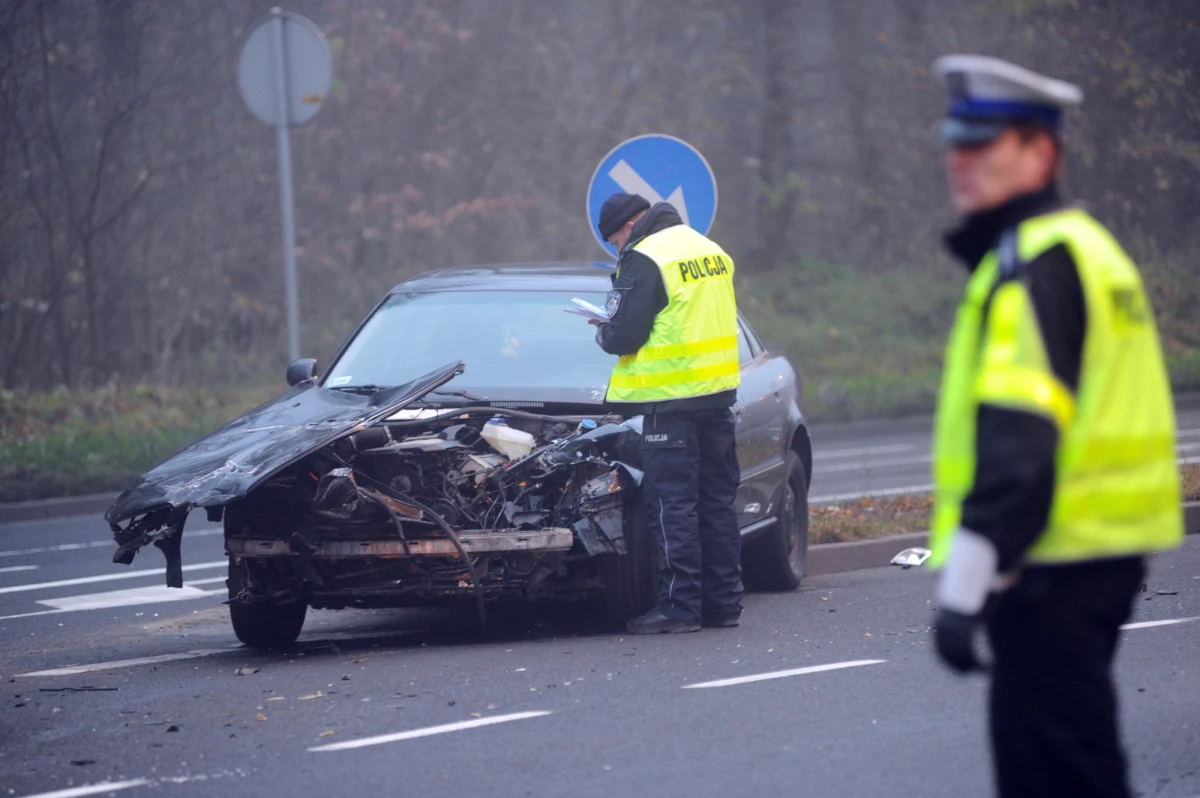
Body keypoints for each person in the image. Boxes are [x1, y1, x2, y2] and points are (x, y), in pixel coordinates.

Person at [926, 55, 1184, 798]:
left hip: (1052, 568)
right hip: (1090, 558)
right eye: (954, 143)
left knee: (1060, 772)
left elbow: (1019, 443)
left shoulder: (1038, 264)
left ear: (1040, 152)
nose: (959, 160)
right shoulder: (1085, 248)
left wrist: (964, 591)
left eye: (981, 145)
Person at [589, 191, 743, 634]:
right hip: (716, 397)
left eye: (615, 241)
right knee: (716, 502)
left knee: (671, 506)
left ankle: (679, 608)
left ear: (628, 227)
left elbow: (624, 336)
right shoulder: (709, 249)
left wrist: (603, 331)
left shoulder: (645, 257)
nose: (618, 250)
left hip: (670, 401)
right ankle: (723, 603)